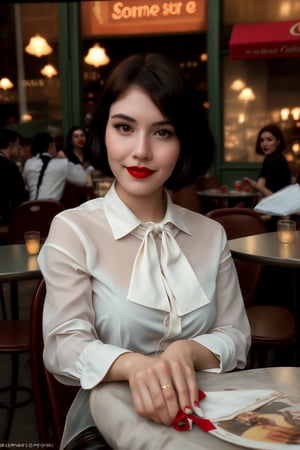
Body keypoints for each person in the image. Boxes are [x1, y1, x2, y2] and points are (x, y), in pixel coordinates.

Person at [38, 53, 251, 449]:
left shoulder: (211, 234)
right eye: (124, 127)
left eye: (163, 132)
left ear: (183, 140)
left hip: (212, 416)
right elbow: (63, 346)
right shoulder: (73, 229)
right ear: (104, 132)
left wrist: (186, 351)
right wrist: (133, 365)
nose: (141, 151)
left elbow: (236, 336)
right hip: (110, 426)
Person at [23, 132, 88, 201]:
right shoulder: (62, 163)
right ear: (50, 145)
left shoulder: (29, 163)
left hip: (30, 209)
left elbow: (26, 185)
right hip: (52, 209)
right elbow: (83, 180)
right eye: (54, 145)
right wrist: (65, 159)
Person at [243, 123, 291, 198]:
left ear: (278, 141)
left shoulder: (273, 159)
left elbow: (274, 197)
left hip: (277, 206)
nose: (264, 144)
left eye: (269, 139)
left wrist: (253, 184)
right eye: (262, 140)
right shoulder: (277, 158)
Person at [0, 129, 28, 229]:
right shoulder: (10, 166)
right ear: (11, 144)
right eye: (18, 144)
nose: (19, 148)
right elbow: (21, 196)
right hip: (5, 222)